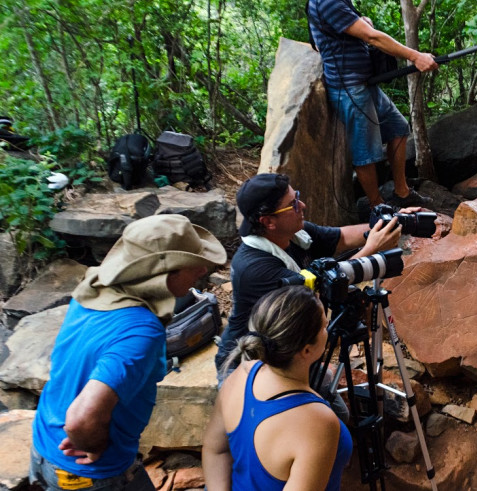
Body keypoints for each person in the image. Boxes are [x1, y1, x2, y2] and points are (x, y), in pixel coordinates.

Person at [30, 214, 227, 490]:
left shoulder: (95, 289)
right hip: (93, 471)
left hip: (45, 443)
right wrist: (94, 444)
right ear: (166, 274)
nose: (203, 270)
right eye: (194, 264)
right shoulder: (141, 331)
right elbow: (81, 419)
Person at [214, 172, 402, 380]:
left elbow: (342, 237)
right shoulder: (254, 268)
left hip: (289, 351)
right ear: (268, 222)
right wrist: (373, 247)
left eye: (298, 197)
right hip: (250, 366)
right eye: (293, 204)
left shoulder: (292, 234)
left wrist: (392, 223)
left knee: (332, 400)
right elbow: (326, 285)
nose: (302, 205)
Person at [300, 0, 438, 209]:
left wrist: (359, 22)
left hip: (365, 84)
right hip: (350, 90)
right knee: (367, 154)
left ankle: (401, 192)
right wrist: (416, 56)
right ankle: (378, 207)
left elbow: (338, 34)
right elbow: (373, 38)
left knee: (398, 129)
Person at [202, 286, 352, 490]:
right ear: (307, 350)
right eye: (324, 326)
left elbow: (215, 451)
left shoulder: (243, 373)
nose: (328, 329)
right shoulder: (317, 421)